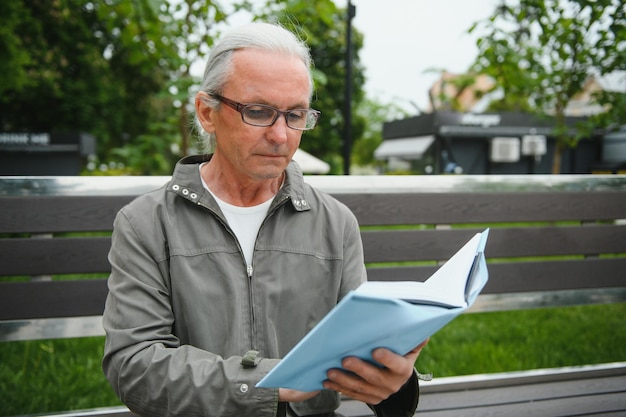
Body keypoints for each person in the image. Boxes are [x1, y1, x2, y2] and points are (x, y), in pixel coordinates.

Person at [102, 22, 426, 417]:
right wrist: (265, 383)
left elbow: (357, 350)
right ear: (207, 112)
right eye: (259, 112)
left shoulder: (335, 223)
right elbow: (134, 367)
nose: (281, 135)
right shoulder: (146, 224)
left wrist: (394, 381)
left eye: (296, 115)